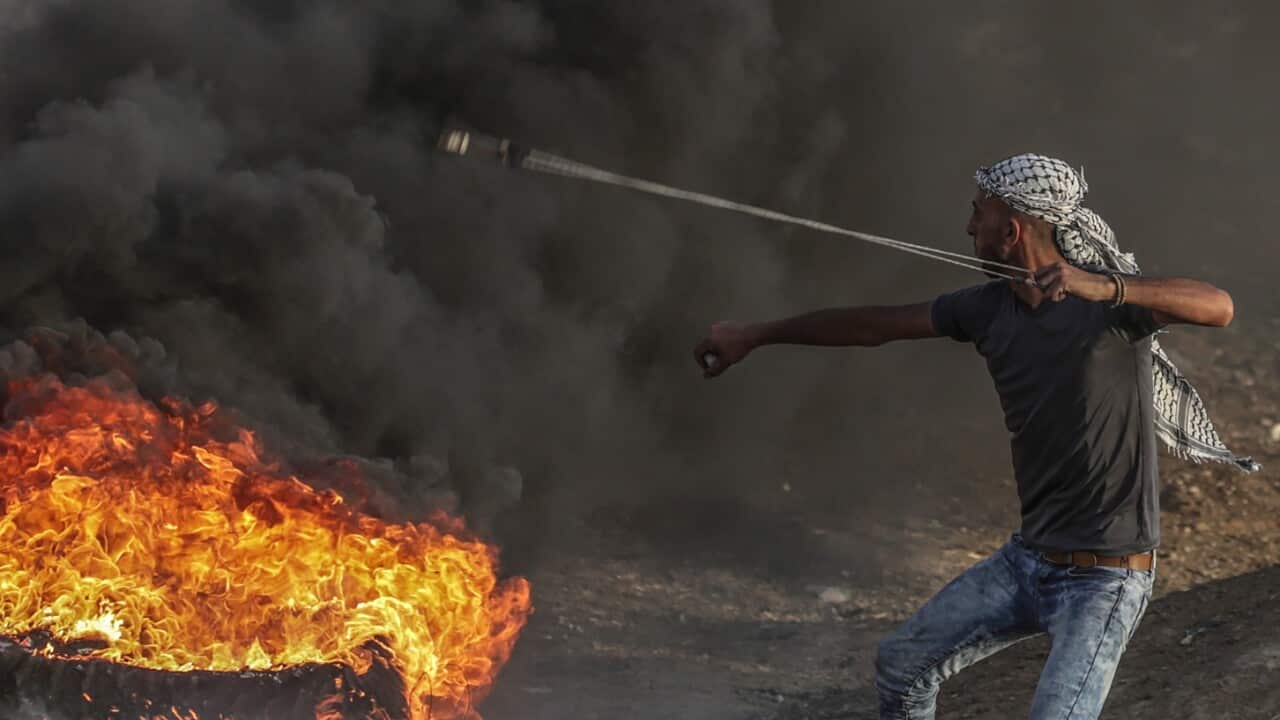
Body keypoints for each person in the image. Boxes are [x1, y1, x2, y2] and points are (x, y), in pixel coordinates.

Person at [693, 153, 1255, 719]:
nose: (967, 229)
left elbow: (1219, 307)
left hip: (1107, 582)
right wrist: (756, 335)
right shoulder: (986, 310)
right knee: (901, 667)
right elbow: (871, 326)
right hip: (1028, 562)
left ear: (1010, 231)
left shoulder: (1110, 310)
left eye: (976, 215)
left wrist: (1101, 285)